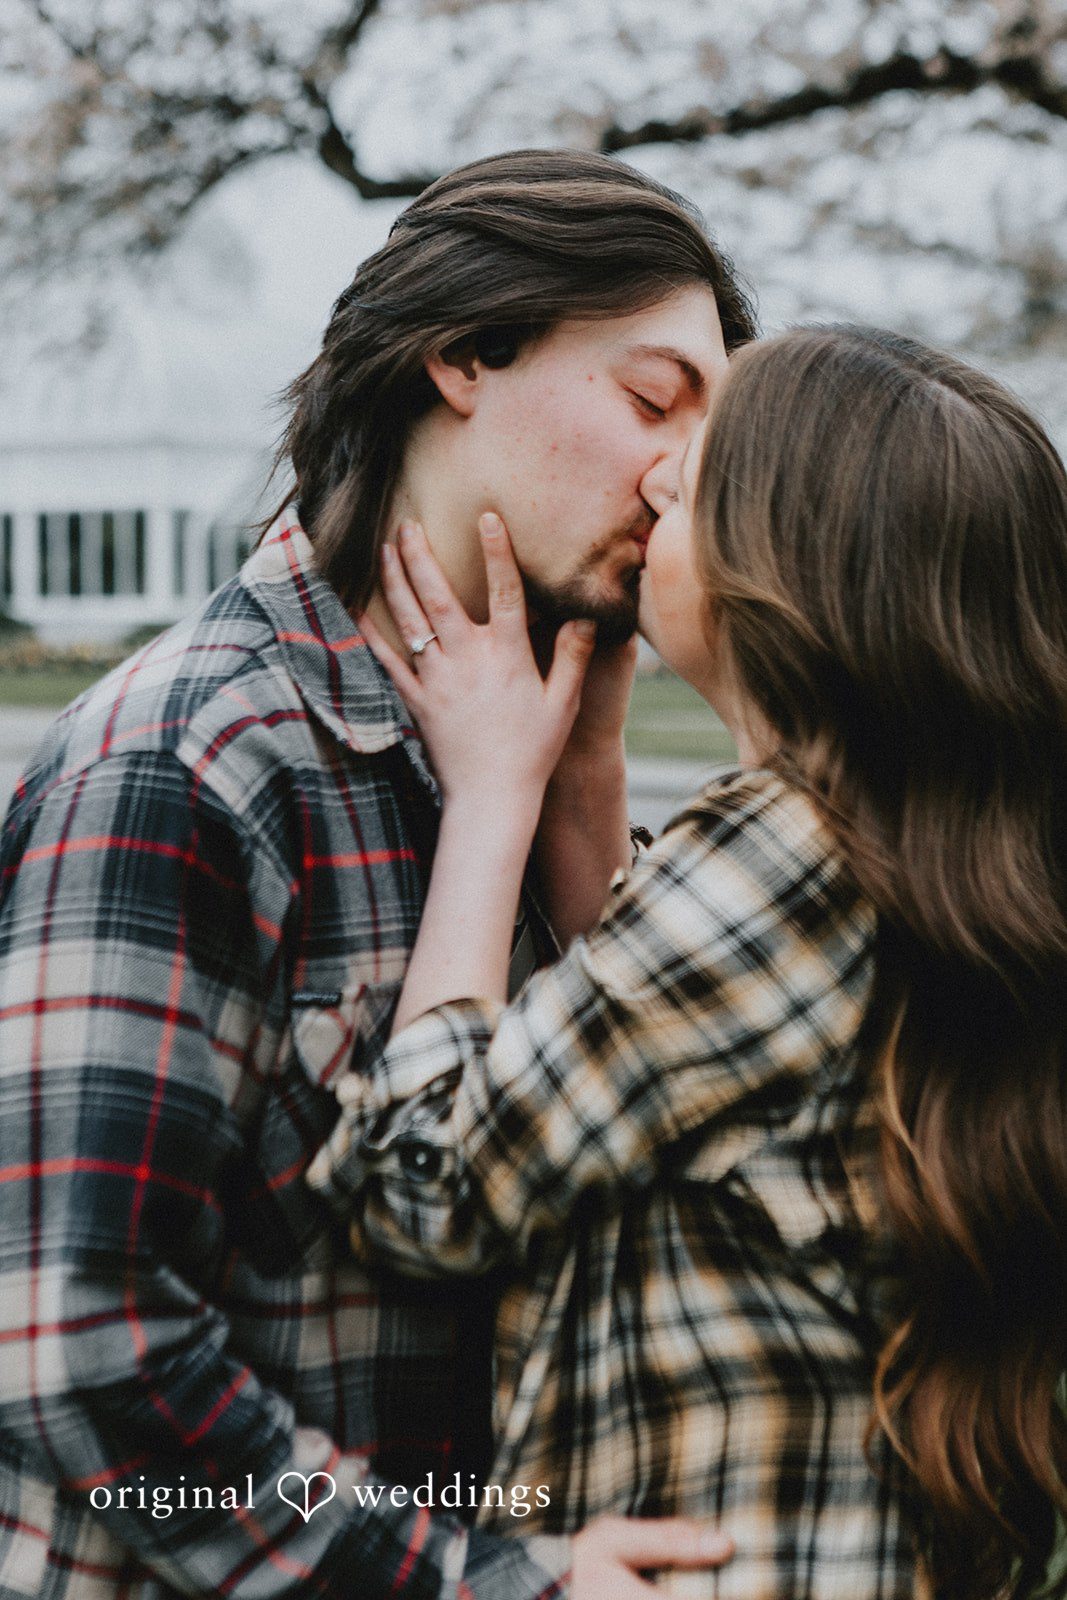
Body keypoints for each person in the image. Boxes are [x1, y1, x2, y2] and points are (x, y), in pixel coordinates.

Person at [0, 151, 755, 1600]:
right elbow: (71, 1345)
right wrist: (476, 1576)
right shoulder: (184, 765)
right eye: (652, 399)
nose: (678, 471)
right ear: (464, 353)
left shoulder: (548, 767)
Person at [308, 325, 1067, 1600]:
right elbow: (659, 1084)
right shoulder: (933, 857)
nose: (655, 480)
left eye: (697, 464)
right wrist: (589, 778)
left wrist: (494, 796)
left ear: (795, 562)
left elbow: (423, 1180)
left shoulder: (783, 860)